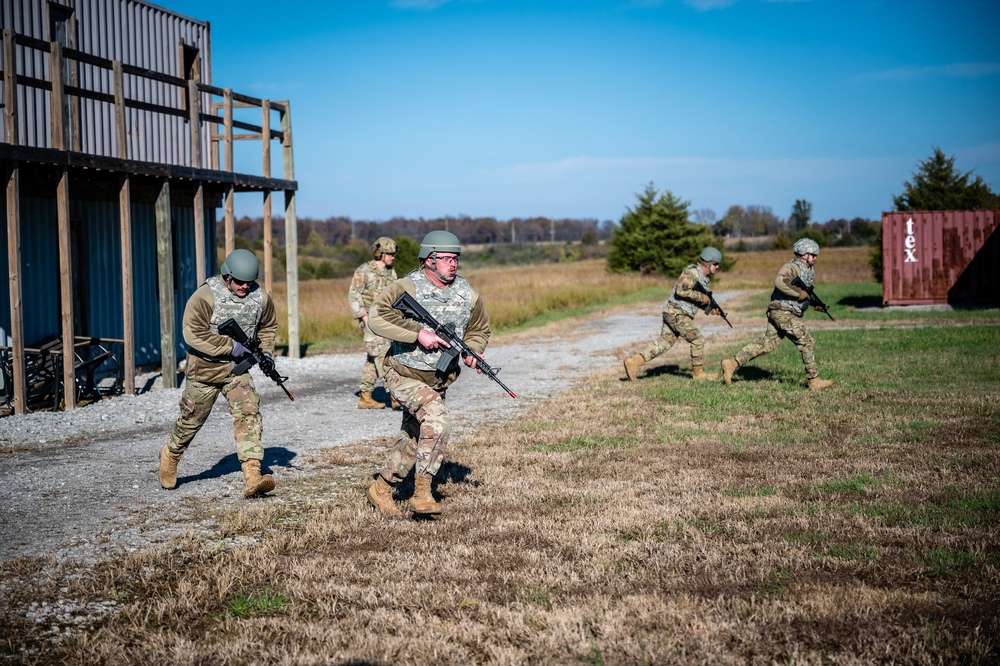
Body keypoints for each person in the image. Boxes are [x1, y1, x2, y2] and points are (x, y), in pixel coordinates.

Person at [364, 230, 491, 517]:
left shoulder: (466, 293)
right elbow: (377, 317)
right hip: (402, 372)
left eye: (456, 258)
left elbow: (479, 329)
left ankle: (381, 488)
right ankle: (422, 493)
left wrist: (473, 350)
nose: (453, 264)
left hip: (436, 378)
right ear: (429, 260)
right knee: (437, 419)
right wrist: (416, 333)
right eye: (446, 258)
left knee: (414, 435)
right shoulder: (407, 286)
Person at [158, 248, 279, 497]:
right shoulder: (205, 296)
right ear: (227, 276)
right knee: (192, 420)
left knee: (249, 413)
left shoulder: (261, 298)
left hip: (237, 370)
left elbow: (268, 327)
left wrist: (266, 354)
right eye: (239, 282)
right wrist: (230, 346)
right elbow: (192, 333)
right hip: (205, 369)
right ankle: (171, 454)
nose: (245, 287)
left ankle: (253, 476)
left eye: (249, 282)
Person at [720, 238, 835, 391]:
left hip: (783, 311)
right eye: (812, 254)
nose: (815, 258)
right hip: (782, 311)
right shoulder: (792, 267)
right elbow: (780, 282)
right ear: (803, 254)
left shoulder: (808, 270)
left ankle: (731, 364)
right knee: (806, 341)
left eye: (816, 255)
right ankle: (814, 380)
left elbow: (804, 294)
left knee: (767, 344)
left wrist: (815, 304)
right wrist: (798, 293)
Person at [623, 247, 726, 381]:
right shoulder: (693, 271)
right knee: (697, 339)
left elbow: (691, 299)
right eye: (715, 264)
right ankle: (699, 374)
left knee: (665, 342)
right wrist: (703, 298)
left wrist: (709, 309)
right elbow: (681, 291)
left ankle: (633, 362)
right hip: (676, 313)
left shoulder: (704, 279)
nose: (717, 267)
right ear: (708, 262)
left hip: (674, 313)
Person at [348, 236, 399, 409]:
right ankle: (394, 394)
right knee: (383, 355)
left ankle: (365, 396)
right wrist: (365, 318)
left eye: (393, 254)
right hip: (370, 320)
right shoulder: (364, 271)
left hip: (386, 320)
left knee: (373, 356)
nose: (393, 257)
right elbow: (354, 295)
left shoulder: (391, 272)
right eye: (389, 254)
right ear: (380, 254)